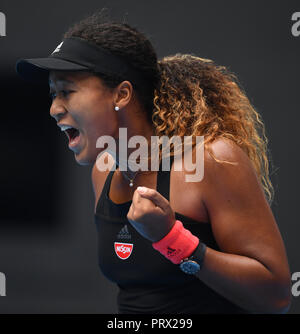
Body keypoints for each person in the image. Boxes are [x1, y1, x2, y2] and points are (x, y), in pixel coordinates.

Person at [16, 10, 291, 314]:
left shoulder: (210, 160)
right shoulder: (103, 171)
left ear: (121, 94)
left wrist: (172, 239)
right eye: (53, 94)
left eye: (67, 92)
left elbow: (275, 297)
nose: (55, 108)